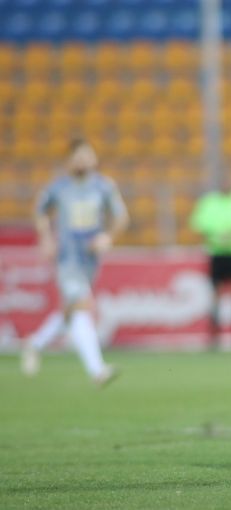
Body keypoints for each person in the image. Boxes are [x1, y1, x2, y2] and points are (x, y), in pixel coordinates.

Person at [21, 138, 128, 386]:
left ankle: (35, 343)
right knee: (81, 306)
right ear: (68, 161)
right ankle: (97, 370)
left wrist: (108, 237)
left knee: (71, 310)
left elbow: (121, 216)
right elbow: (40, 212)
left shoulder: (103, 186)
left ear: (94, 159)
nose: (83, 161)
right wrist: (46, 237)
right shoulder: (58, 188)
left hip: (90, 260)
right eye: (78, 156)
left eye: (87, 156)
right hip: (67, 258)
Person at [190, 173, 231, 349]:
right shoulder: (209, 202)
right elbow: (199, 224)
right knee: (215, 294)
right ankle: (214, 334)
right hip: (216, 253)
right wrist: (219, 234)